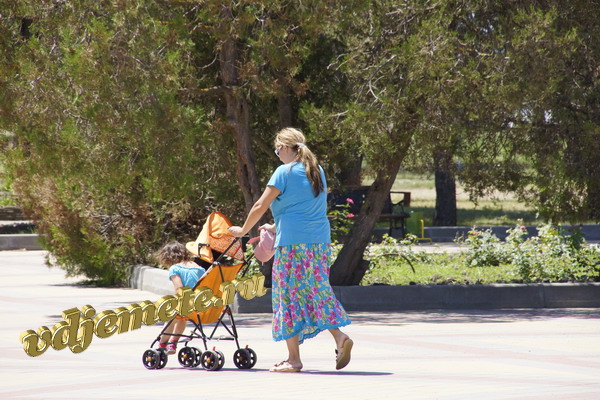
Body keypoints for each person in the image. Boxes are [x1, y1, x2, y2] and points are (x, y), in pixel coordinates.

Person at [228, 127, 353, 373]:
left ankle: (293, 359)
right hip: (318, 243)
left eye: (277, 150)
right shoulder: (316, 170)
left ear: (285, 148)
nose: (277, 155)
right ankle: (340, 337)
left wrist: (243, 230)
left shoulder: (283, 172)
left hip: (293, 245)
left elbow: (260, 204)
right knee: (316, 291)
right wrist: (275, 225)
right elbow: (304, 206)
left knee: (286, 296)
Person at [154, 241, 206, 355]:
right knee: (182, 318)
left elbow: (179, 289)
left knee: (171, 315)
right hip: (200, 304)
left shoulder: (175, 268)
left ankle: (163, 343)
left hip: (186, 302)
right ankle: (173, 342)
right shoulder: (199, 268)